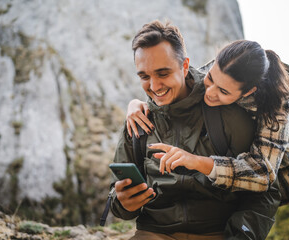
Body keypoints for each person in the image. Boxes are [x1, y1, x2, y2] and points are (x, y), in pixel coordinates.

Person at [126, 40, 289, 239]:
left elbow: (263, 173)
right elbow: (177, 87)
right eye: (210, 79)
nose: (209, 92)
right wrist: (137, 104)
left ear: (249, 91)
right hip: (236, 175)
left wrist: (197, 161)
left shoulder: (277, 101)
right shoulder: (213, 71)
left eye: (223, 91)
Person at [110, 20, 280, 240]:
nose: (153, 86)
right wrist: (122, 202)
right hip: (154, 233)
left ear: (184, 65)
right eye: (144, 76)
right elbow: (115, 199)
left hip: (217, 233)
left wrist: (242, 235)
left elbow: (263, 188)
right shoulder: (137, 121)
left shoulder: (227, 113)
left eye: (163, 73)